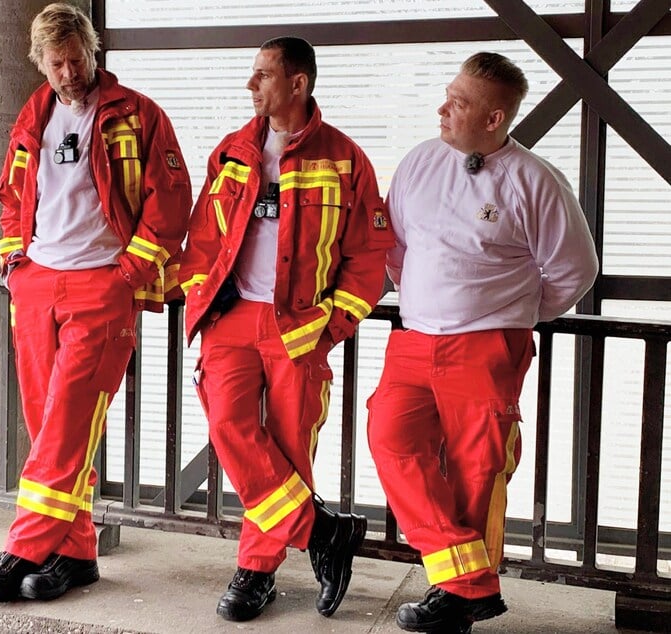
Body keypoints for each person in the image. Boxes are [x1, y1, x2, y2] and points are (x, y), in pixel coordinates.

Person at [367, 52, 599, 633]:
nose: (443, 109)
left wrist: (512, 318)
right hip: (415, 337)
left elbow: (574, 270)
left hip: (488, 346)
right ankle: (471, 580)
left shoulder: (536, 180)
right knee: (390, 438)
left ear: (494, 119)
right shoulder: (419, 162)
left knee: (478, 467)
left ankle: (454, 598)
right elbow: (394, 247)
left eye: (459, 102)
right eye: (447, 95)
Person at [0, 3, 191, 603]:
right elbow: (12, 196)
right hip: (38, 281)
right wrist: (15, 262)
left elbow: (170, 203)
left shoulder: (138, 114)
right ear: (40, 62)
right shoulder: (31, 115)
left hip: (103, 284)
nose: (69, 73)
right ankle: (76, 554)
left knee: (69, 416)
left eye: (77, 59)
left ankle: (26, 543)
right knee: (47, 422)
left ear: (94, 52)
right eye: (56, 63)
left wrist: (130, 273)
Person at [179, 36, 394, 622]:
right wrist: (201, 291)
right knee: (228, 425)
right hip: (232, 317)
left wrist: (336, 324)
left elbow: (369, 254)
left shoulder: (346, 159)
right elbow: (203, 237)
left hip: (302, 328)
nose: (251, 86)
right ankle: (322, 530)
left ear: (297, 84)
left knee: (289, 445)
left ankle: (256, 572)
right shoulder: (231, 151)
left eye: (262, 75)